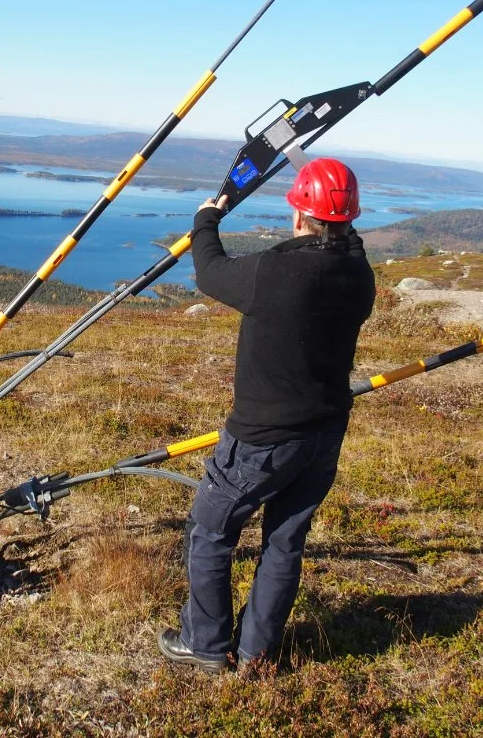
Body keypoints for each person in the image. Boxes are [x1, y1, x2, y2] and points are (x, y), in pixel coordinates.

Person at [157, 157, 376, 673]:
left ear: (300, 214)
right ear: (349, 219)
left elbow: (210, 272)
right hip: (324, 433)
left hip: (262, 439)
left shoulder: (279, 272)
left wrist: (206, 219)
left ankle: (205, 645)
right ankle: (256, 653)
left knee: (210, 531)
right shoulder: (358, 274)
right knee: (284, 541)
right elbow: (347, 242)